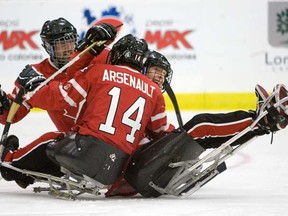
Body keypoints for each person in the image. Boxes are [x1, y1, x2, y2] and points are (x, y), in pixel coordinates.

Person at [0, 34, 174, 188]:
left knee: (53, 139)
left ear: (117, 54)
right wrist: (184, 137)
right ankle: (25, 173)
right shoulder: (154, 90)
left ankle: (9, 163)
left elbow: (63, 98)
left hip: (87, 151)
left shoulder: (98, 71)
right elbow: (161, 130)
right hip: (116, 169)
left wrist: (35, 88)